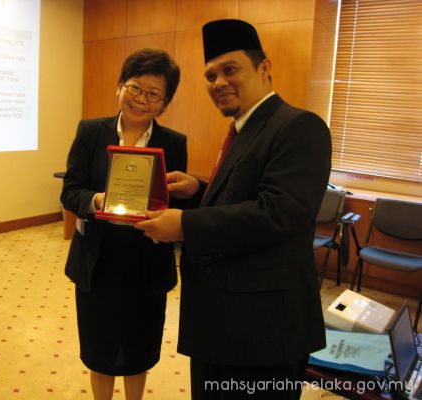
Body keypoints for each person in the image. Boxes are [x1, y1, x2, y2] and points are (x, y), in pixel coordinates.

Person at [134, 19, 331, 399]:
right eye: (210, 76)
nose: (218, 83)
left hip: (263, 329)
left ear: (264, 67)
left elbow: (278, 213)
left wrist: (186, 224)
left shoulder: (299, 126)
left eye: (230, 69)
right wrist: (199, 190)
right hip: (222, 320)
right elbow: (244, 196)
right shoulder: (245, 129)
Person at [60, 48, 187, 400]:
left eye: (153, 94)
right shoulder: (90, 131)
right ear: (120, 86)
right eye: (135, 87)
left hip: (146, 264)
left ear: (164, 103)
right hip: (97, 262)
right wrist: (96, 201)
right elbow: (70, 191)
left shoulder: (174, 143)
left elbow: (176, 202)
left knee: (138, 350)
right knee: (98, 350)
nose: (141, 99)